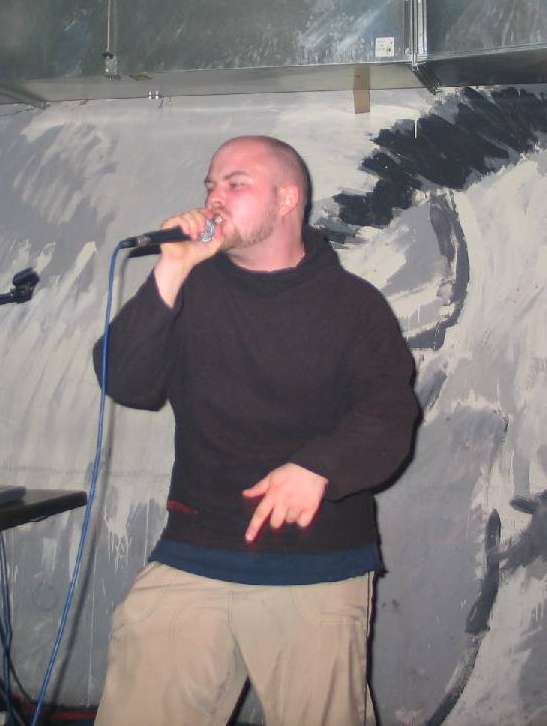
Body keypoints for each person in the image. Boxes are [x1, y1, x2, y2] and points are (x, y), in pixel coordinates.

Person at [92, 134, 420, 726]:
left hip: (316, 562)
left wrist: (319, 467)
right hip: (195, 549)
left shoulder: (354, 305)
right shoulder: (189, 288)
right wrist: (172, 269)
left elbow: (390, 414)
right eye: (210, 186)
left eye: (235, 184)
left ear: (287, 199)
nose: (214, 198)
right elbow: (124, 381)